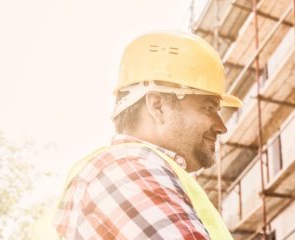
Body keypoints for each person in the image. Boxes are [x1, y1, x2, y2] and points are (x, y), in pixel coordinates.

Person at [48, 31, 242, 239]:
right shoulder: (126, 170)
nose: (222, 126)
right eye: (208, 108)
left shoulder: (136, 172)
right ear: (157, 106)